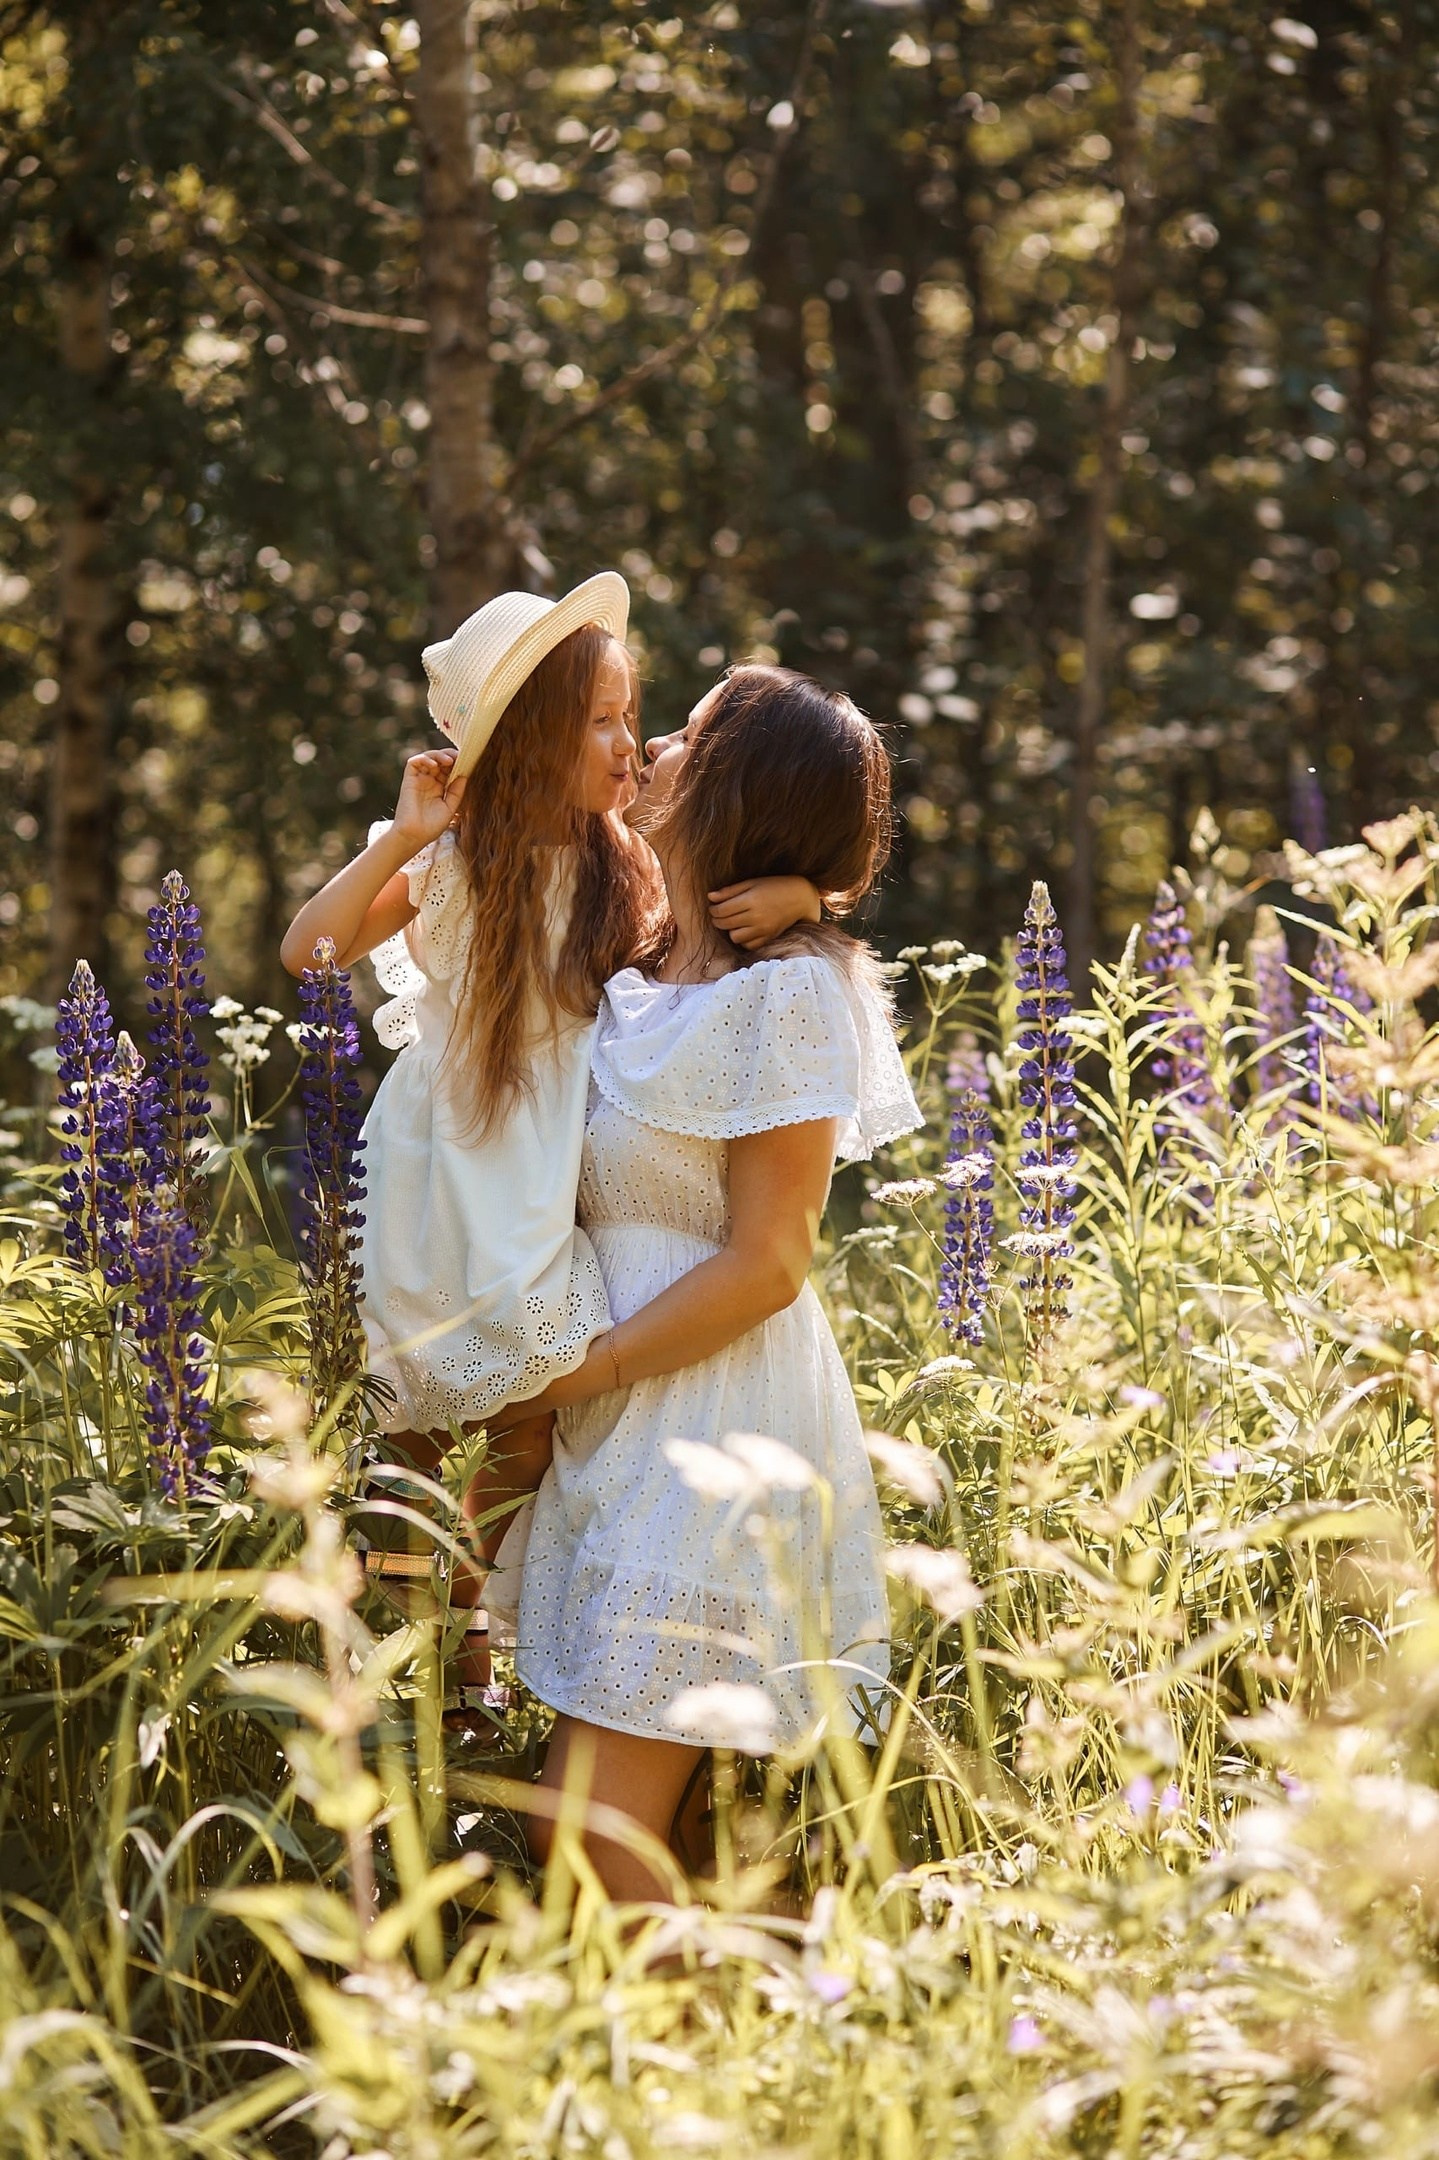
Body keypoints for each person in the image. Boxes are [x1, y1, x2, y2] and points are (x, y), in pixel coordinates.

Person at [280, 577, 819, 1714]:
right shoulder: (451, 854)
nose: (629, 745)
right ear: (528, 739)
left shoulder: (628, 859)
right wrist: (406, 837)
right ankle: (422, 1689)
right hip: (438, 1166)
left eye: (632, 718)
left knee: (522, 1413)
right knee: (415, 1428)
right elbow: (310, 951)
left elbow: (718, 933)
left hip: (546, 1174)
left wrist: (804, 891)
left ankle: (468, 1671)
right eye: (601, 723)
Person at [501, 664, 923, 1898]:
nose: (652, 750)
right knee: (625, 1842)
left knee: (586, 1837)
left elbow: (772, 1260)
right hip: (613, 1426)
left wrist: (591, 1368)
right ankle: (724, 2017)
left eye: (686, 734)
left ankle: (728, 2028)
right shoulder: (635, 960)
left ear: (740, 787)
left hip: (708, 1416)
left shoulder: (786, 989)